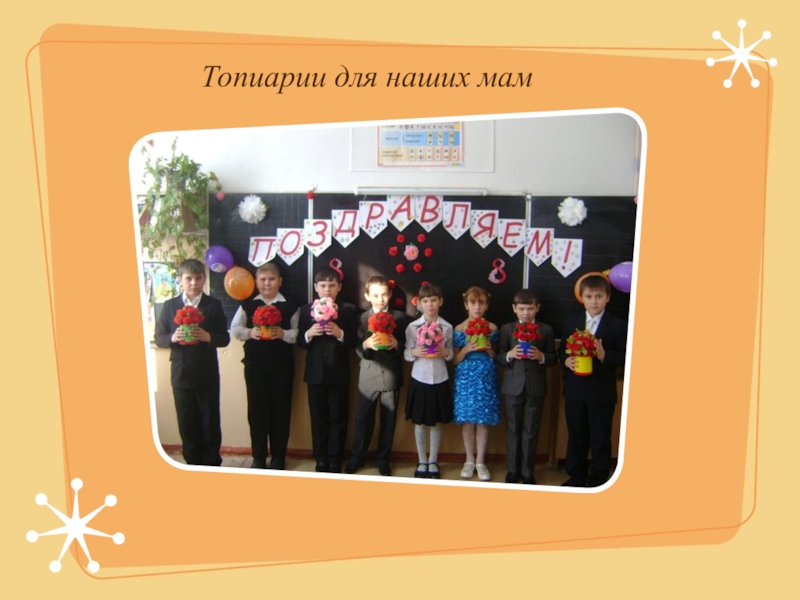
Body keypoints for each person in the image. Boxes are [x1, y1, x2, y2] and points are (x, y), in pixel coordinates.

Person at [155, 258, 230, 466]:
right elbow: (159, 338)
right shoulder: (170, 306)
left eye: (198, 278)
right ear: (180, 280)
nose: (194, 283)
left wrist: (208, 337)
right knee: (186, 421)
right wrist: (172, 337)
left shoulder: (213, 305)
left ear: (204, 279)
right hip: (181, 373)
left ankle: (212, 463)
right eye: (189, 278)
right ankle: (192, 464)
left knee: (210, 420)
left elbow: (224, 338)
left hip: (207, 373)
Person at [559, 274, 627, 487]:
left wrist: (605, 355)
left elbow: (625, 356)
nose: (594, 301)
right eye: (589, 296)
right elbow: (562, 351)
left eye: (599, 296)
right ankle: (576, 476)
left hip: (601, 392)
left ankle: (598, 478)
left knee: (600, 436)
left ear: (608, 297)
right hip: (575, 390)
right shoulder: (572, 321)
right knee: (576, 435)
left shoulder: (619, 325)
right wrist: (566, 361)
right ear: (582, 298)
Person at [230, 262, 299, 470]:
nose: (267, 283)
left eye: (271, 279)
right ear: (256, 282)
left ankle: (279, 456)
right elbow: (235, 329)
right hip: (255, 366)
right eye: (263, 280)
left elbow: (297, 333)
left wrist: (284, 334)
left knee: (281, 410)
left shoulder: (291, 305)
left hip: (282, 366)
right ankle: (258, 457)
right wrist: (250, 332)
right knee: (257, 411)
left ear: (280, 281)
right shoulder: (248, 305)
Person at [297, 267, 357, 474]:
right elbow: (300, 342)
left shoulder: (348, 310)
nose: (327, 289)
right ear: (316, 287)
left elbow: (354, 341)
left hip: (339, 373)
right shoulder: (306, 310)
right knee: (318, 418)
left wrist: (340, 333)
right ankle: (320, 458)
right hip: (315, 374)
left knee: (338, 418)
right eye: (323, 285)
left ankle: (335, 458)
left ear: (339, 287)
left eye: (332, 285)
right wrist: (309, 333)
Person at [346, 276, 408, 476]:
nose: (380, 299)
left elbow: (407, 347)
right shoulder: (361, 318)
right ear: (367, 296)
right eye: (375, 295)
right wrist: (365, 344)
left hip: (391, 375)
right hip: (368, 375)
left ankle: (383, 459)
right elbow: (355, 347)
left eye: (384, 295)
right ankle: (358, 457)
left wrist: (397, 345)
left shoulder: (400, 318)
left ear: (390, 294)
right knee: (363, 418)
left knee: (388, 420)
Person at [496, 289, 556, 484]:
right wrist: (509, 355)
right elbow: (499, 355)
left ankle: (528, 472)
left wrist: (541, 357)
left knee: (531, 430)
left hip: (535, 386)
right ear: (514, 308)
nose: (526, 313)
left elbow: (553, 358)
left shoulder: (546, 330)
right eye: (522, 309)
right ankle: (513, 471)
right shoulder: (507, 329)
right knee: (513, 429)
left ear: (537, 308)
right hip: (512, 386)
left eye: (530, 308)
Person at [403, 283, 454, 479]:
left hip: (440, 378)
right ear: (419, 303)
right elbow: (407, 352)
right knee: (420, 422)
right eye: (425, 301)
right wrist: (414, 352)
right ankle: (421, 460)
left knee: (436, 422)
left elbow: (451, 354)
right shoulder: (412, 327)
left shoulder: (447, 327)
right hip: (420, 378)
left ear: (440, 302)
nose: (430, 304)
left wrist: (445, 352)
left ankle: (433, 460)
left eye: (433, 300)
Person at [453, 286, 500, 482]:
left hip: (486, 377)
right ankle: (469, 460)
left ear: (487, 305)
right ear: (466, 305)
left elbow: (496, 356)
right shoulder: (459, 329)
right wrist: (465, 350)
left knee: (483, 421)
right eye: (473, 303)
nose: (477, 307)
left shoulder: (492, 328)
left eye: (481, 303)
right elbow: (454, 360)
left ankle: (481, 461)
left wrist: (489, 349)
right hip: (466, 378)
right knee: (467, 421)